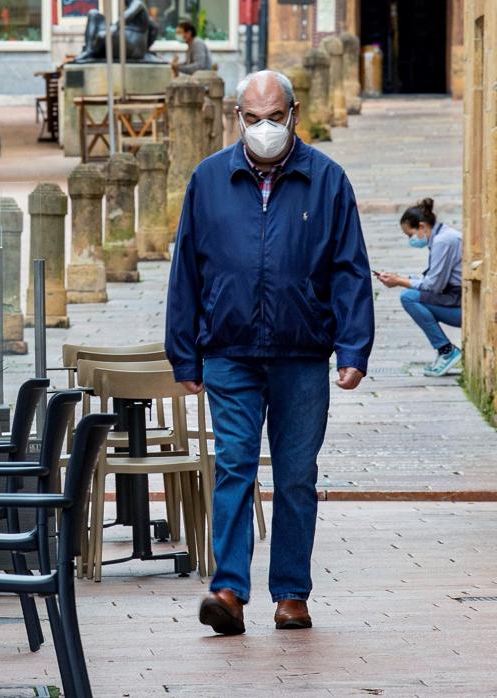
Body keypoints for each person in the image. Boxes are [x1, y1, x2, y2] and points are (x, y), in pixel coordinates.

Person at [165, 71, 374, 636]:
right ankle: (228, 590)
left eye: (273, 116)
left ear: (294, 114)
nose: (263, 128)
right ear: (237, 117)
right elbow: (186, 267)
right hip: (229, 351)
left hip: (302, 352)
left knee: (296, 474)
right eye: (252, 117)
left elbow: (350, 268)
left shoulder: (327, 180)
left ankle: (291, 594)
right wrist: (184, 354)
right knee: (234, 463)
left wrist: (354, 345)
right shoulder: (208, 179)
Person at [377, 198, 463, 376]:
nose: (412, 239)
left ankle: (446, 349)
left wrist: (399, 281)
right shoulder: (443, 236)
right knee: (411, 292)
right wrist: (401, 277)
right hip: (455, 297)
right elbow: (432, 278)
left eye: (410, 234)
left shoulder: (443, 241)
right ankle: (445, 350)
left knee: (408, 297)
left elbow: (433, 286)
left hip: (459, 304)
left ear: (422, 226)